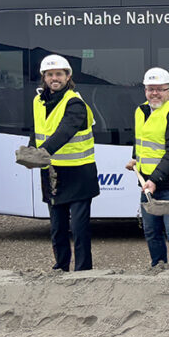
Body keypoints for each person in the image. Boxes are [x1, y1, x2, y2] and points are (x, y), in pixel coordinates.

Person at [29, 54, 99, 271]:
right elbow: (40, 131)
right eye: (50, 75)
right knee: (58, 227)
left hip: (79, 173)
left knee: (79, 228)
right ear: (44, 78)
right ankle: (60, 266)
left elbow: (65, 131)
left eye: (59, 74)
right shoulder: (38, 101)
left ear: (68, 77)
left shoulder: (75, 103)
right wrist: (31, 150)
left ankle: (83, 270)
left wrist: (42, 152)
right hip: (52, 173)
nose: (54, 78)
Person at [126, 68, 169, 267]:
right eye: (150, 89)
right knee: (151, 229)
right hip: (148, 182)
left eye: (160, 89)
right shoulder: (141, 111)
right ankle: (159, 266)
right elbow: (141, 140)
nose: (154, 93)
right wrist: (135, 159)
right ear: (145, 90)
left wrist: (154, 179)